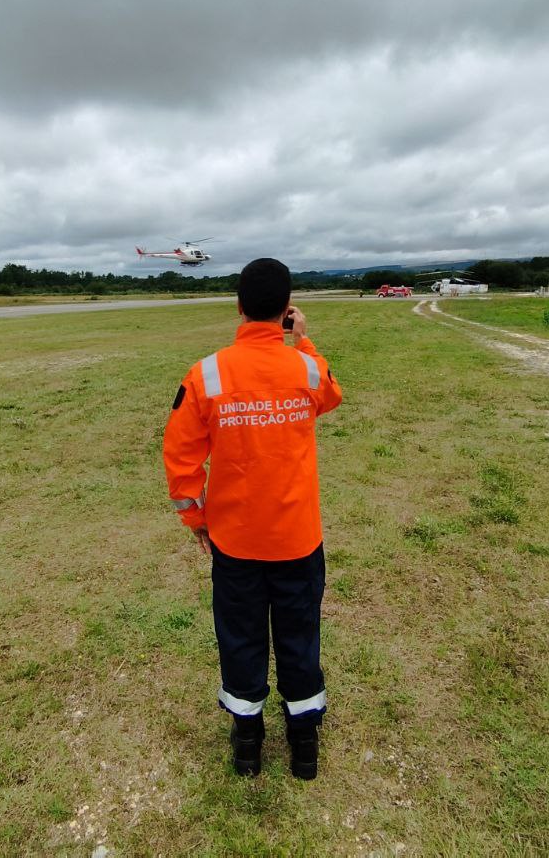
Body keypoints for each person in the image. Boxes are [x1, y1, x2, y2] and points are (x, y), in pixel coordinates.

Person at [163, 258, 343, 779]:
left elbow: (180, 454)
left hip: (235, 542)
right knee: (299, 633)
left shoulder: (207, 374)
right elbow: (331, 395)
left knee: (240, 636)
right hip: (297, 539)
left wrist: (195, 516)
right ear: (287, 310)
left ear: (238, 306)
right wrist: (303, 341)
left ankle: (247, 744)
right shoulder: (305, 367)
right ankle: (303, 743)